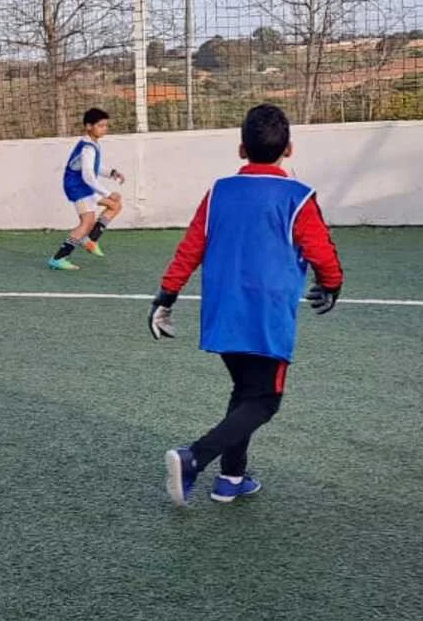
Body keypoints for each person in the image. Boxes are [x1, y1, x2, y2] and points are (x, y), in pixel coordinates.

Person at [149, 104, 344, 506]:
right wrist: (332, 283)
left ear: (241, 150)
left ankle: (231, 478)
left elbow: (191, 247)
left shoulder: (219, 191)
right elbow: (320, 249)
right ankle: (194, 459)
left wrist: (166, 296)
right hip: (266, 317)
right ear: (288, 149)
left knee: (245, 390)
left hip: (222, 312)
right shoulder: (298, 196)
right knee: (265, 400)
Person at [48, 107, 126, 270]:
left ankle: (90, 240)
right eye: (101, 126)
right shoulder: (88, 148)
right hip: (78, 187)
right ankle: (59, 258)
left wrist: (112, 173)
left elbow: (93, 168)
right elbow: (88, 176)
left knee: (115, 206)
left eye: (106, 125)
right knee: (87, 222)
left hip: (85, 186)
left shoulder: (92, 144)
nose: (105, 129)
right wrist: (108, 193)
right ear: (89, 126)